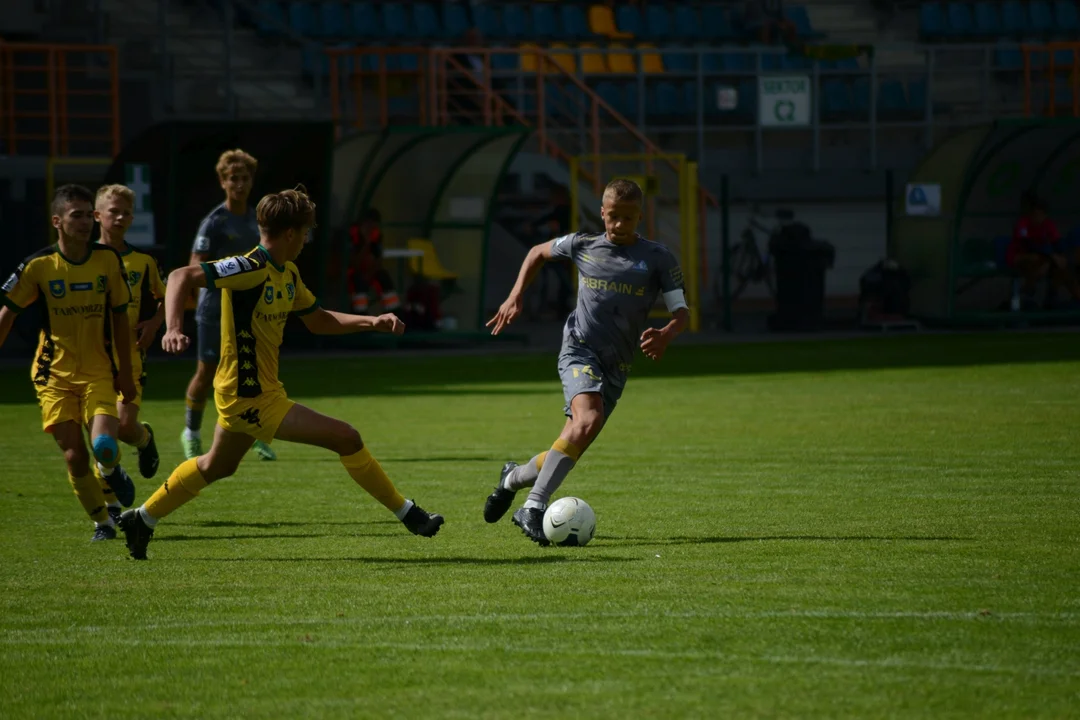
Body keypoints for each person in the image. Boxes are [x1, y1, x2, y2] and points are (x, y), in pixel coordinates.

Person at [118, 186, 444, 560]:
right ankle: (409, 514)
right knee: (347, 437)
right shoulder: (249, 267)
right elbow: (179, 276)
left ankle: (142, 518)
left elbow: (319, 321)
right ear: (290, 233)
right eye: (305, 232)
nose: (307, 239)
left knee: (217, 465)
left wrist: (372, 320)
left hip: (255, 391)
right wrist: (173, 327)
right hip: (249, 396)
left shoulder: (286, 273)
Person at [483, 179, 690, 545]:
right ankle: (532, 506)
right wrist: (515, 297)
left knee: (574, 438)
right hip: (579, 349)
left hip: (618, 365)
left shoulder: (659, 258)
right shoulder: (583, 244)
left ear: (640, 216)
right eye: (614, 217)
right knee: (588, 420)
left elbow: (681, 312)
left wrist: (667, 333)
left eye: (628, 218)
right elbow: (536, 252)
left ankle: (512, 478)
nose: (620, 225)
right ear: (603, 213)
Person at [0, 184, 138, 541]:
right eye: (76, 215)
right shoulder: (38, 266)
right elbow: (6, 314)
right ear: (57, 221)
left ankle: (111, 470)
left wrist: (125, 370)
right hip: (53, 375)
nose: (85, 222)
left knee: (104, 445)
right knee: (75, 457)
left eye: (88, 215)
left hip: (97, 371)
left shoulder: (108, 260)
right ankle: (103, 523)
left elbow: (122, 320)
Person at [182, 149, 277, 462]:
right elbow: (195, 267)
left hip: (248, 310)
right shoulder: (214, 222)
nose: (239, 184)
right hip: (213, 310)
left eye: (244, 178)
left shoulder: (257, 219)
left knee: (255, 372)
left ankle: (257, 434)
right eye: (233, 178)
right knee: (207, 372)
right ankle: (191, 433)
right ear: (222, 182)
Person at [93, 184, 164, 515]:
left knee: (122, 428)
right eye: (113, 211)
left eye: (126, 212)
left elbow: (167, 297)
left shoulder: (143, 261)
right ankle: (110, 511)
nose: (120, 217)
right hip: (89, 361)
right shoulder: (84, 260)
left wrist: (154, 323)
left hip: (131, 356)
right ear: (98, 215)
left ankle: (143, 440)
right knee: (101, 439)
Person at [1007, 193, 1080, 307]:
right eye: (1035, 214)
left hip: (1043, 258)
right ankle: (1027, 290)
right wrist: (1051, 256)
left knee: (1062, 266)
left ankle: (1052, 297)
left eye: (1041, 215)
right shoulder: (1023, 223)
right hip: (1022, 256)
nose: (1037, 218)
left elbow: (1057, 243)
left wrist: (1058, 257)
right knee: (1034, 259)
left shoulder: (1048, 224)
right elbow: (1027, 244)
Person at [347, 208, 401, 314]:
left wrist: (369, 273)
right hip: (351, 272)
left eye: (374, 225)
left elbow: (378, 260)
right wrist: (366, 242)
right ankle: (360, 317)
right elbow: (353, 262)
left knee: (384, 277)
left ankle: (395, 315)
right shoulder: (352, 235)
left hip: (369, 271)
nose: (371, 228)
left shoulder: (376, 235)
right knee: (359, 281)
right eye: (368, 225)